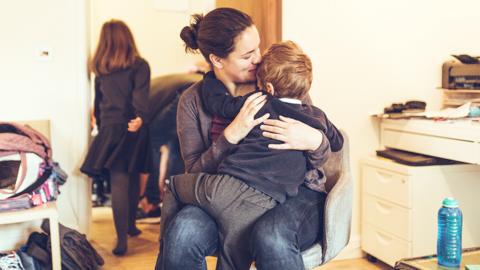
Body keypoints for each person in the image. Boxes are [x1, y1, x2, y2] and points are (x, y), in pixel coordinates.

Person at [155, 8, 340, 270]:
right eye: (247, 55)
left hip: (296, 192)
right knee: (182, 234)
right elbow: (195, 171)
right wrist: (229, 136)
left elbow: (323, 154)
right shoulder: (192, 101)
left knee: (272, 237)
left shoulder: (278, 79)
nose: (258, 59)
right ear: (217, 60)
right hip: (229, 193)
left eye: (258, 48)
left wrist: (314, 141)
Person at [80, 19, 150, 256]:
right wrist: (140, 117)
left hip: (110, 128)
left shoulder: (102, 71)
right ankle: (127, 230)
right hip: (132, 126)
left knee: (119, 180)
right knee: (129, 177)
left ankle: (124, 234)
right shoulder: (140, 65)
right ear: (127, 39)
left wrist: (100, 126)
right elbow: (141, 97)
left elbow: (98, 105)